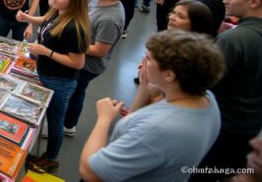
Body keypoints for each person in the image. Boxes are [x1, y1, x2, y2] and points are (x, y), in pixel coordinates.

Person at [80, 31, 224, 182]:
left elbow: (90, 172)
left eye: (148, 59)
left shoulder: (158, 129)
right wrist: (144, 86)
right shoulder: (206, 99)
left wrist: (104, 119)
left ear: (169, 75)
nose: (142, 62)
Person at [16, 0, 89, 173]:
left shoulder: (75, 28)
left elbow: (78, 63)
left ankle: (51, 157)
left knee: (55, 121)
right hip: (45, 73)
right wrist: (29, 19)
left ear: (73, 2)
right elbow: (46, 21)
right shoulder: (58, 12)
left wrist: (45, 51)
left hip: (59, 81)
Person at [196, 0, 262, 180]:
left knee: (200, 173)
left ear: (254, 1)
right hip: (251, 124)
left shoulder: (233, 39)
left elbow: (202, 81)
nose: (225, 1)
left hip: (223, 122)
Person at [63, 0, 125, 137]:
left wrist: (70, 43)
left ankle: (68, 124)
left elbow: (100, 50)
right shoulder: (101, 2)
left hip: (88, 65)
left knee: (75, 92)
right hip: (82, 57)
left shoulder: (109, 18)